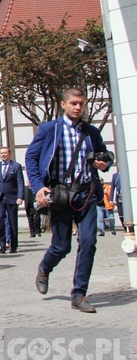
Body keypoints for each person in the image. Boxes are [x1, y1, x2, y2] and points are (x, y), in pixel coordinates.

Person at [26, 87, 111, 313]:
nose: (78, 107)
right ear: (63, 104)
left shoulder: (91, 132)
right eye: (73, 103)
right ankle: (44, 267)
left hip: (87, 194)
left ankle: (79, 294)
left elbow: (104, 155)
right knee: (62, 245)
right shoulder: (49, 129)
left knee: (89, 242)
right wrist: (38, 187)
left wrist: (105, 164)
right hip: (61, 194)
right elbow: (31, 158)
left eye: (81, 103)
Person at [0, 147, 24, 254]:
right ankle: (2, 244)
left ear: (9, 154)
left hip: (12, 197)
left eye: (5, 153)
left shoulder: (16, 166)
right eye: (1, 153)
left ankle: (13, 244)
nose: (3, 155)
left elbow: (20, 182)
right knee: (0, 219)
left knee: (12, 221)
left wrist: (20, 197)